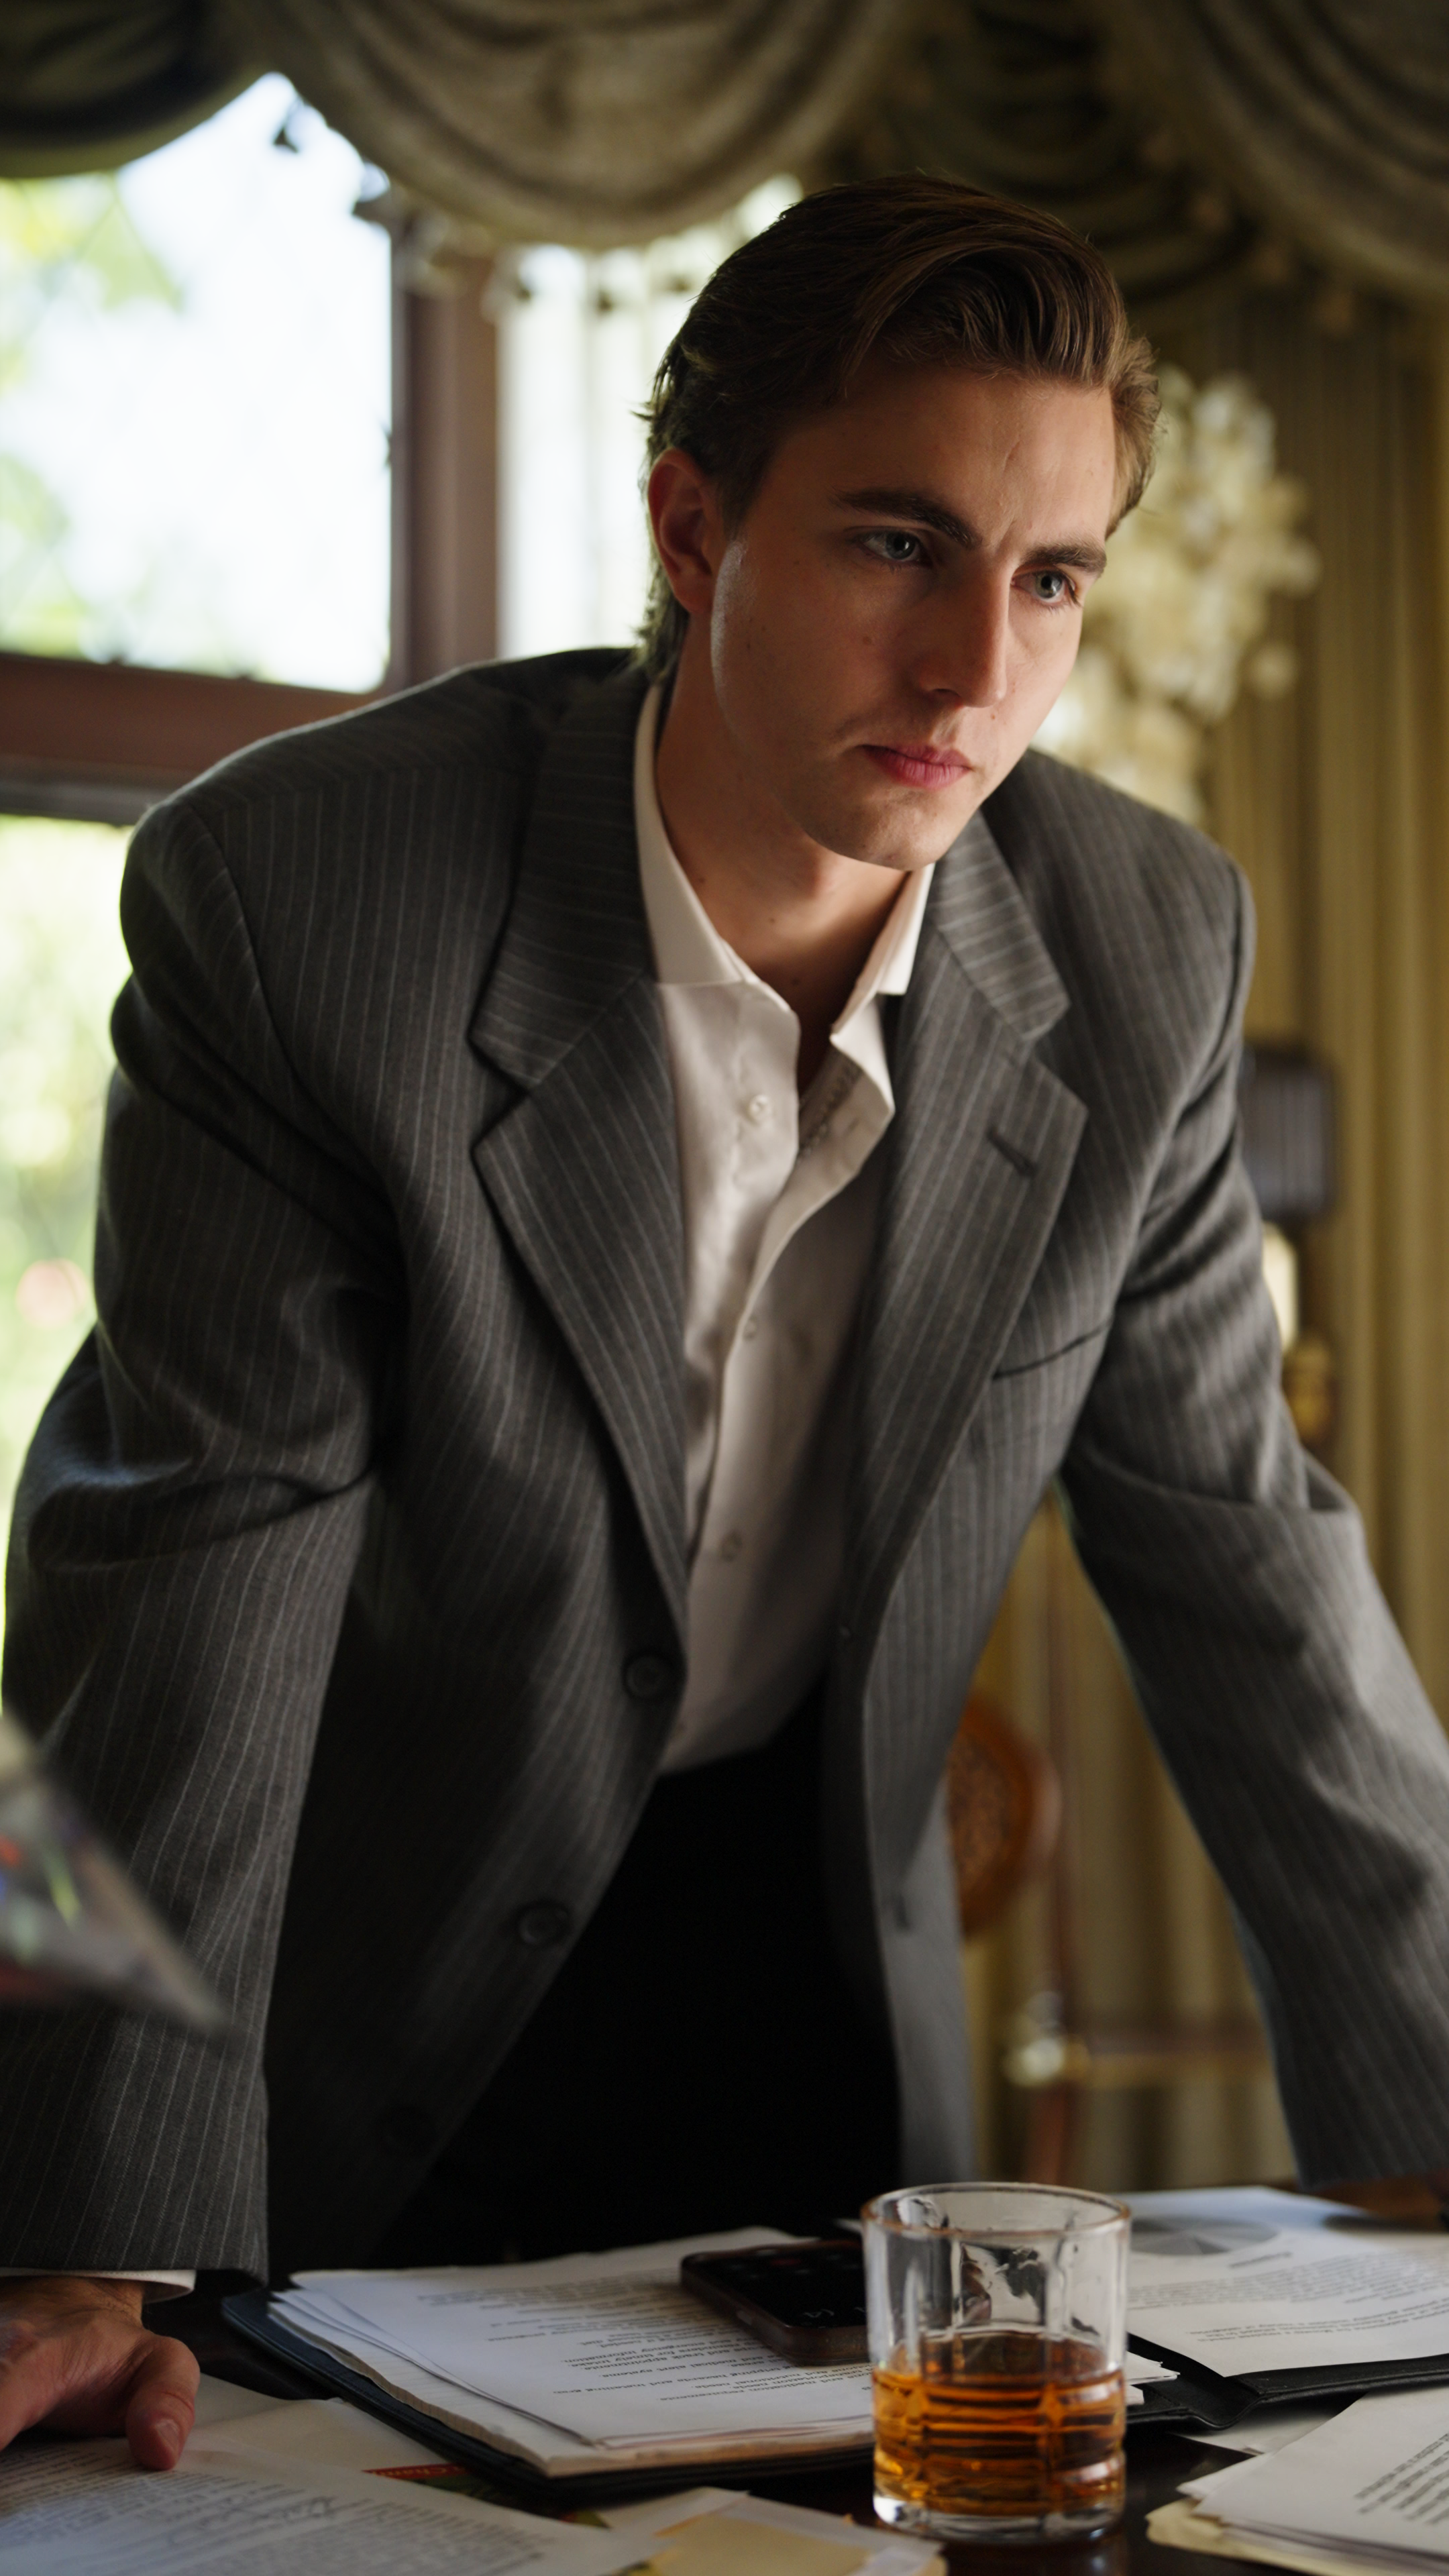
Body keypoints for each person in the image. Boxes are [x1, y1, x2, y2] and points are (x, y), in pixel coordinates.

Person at [3, 176, 1449, 2475]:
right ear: (693, 525)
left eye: (1052, 575)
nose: (981, 670)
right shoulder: (310, 906)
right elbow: (185, 1585)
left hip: (822, 2025)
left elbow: (1256, 1577)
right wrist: (89, 2237)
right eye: (900, 544)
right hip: (334, 2002)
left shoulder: (1143, 947)